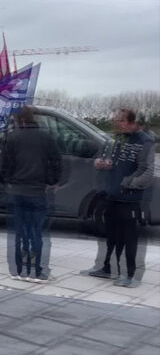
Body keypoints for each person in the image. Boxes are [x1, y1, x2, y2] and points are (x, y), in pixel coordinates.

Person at [84, 108, 155, 288]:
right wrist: (103, 164)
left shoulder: (145, 142)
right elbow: (114, 161)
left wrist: (129, 183)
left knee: (129, 238)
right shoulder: (120, 138)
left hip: (129, 199)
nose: (117, 123)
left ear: (133, 122)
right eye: (116, 120)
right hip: (112, 195)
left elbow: (147, 171)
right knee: (111, 236)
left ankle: (131, 275)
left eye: (121, 121)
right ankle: (107, 268)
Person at [0, 107, 61, 283]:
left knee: (20, 231)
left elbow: (4, 164)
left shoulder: (12, 137)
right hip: (38, 190)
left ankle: (18, 269)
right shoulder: (46, 137)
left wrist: (10, 180)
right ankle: (37, 270)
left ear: (18, 120)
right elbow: (56, 161)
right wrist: (52, 181)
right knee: (37, 231)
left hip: (18, 190)